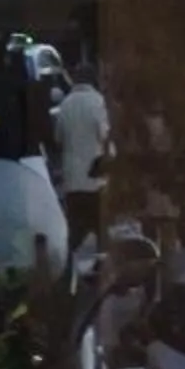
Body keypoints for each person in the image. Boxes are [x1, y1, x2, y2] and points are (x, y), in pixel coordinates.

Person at [55, 60, 111, 250]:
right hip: (95, 180)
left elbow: (58, 137)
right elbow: (104, 135)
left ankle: (70, 270)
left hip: (72, 179)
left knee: (74, 232)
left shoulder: (65, 104)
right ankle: (101, 269)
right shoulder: (98, 102)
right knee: (101, 230)